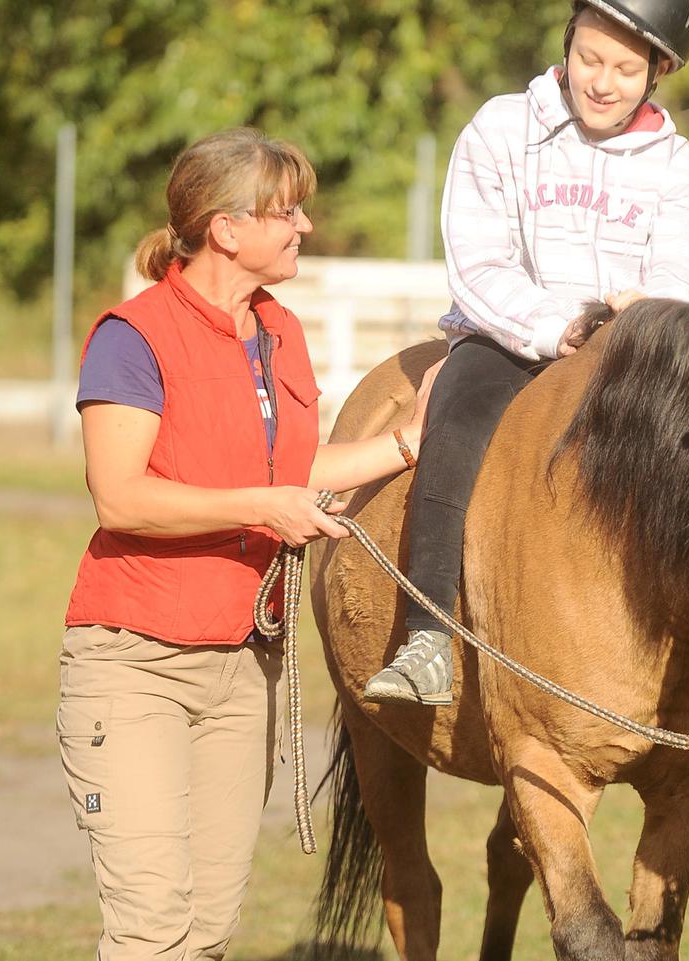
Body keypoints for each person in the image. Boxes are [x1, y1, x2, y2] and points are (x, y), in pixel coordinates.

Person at [57, 127, 438, 961]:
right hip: (135, 665)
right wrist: (266, 505)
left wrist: (409, 443)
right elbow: (122, 496)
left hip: (246, 669)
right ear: (226, 229)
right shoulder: (135, 336)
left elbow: (294, 466)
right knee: (152, 931)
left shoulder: (279, 333)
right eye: (285, 211)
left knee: (207, 934)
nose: (303, 225)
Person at [364, 0, 689, 706]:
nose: (603, 82)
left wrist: (642, 315)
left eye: (624, 68)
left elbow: (679, 275)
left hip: (625, 353)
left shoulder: (678, 168)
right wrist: (562, 327)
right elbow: (480, 264)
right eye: (589, 58)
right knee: (454, 425)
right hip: (509, 338)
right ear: (567, 43)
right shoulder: (500, 129)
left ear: (659, 71)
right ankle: (427, 631)